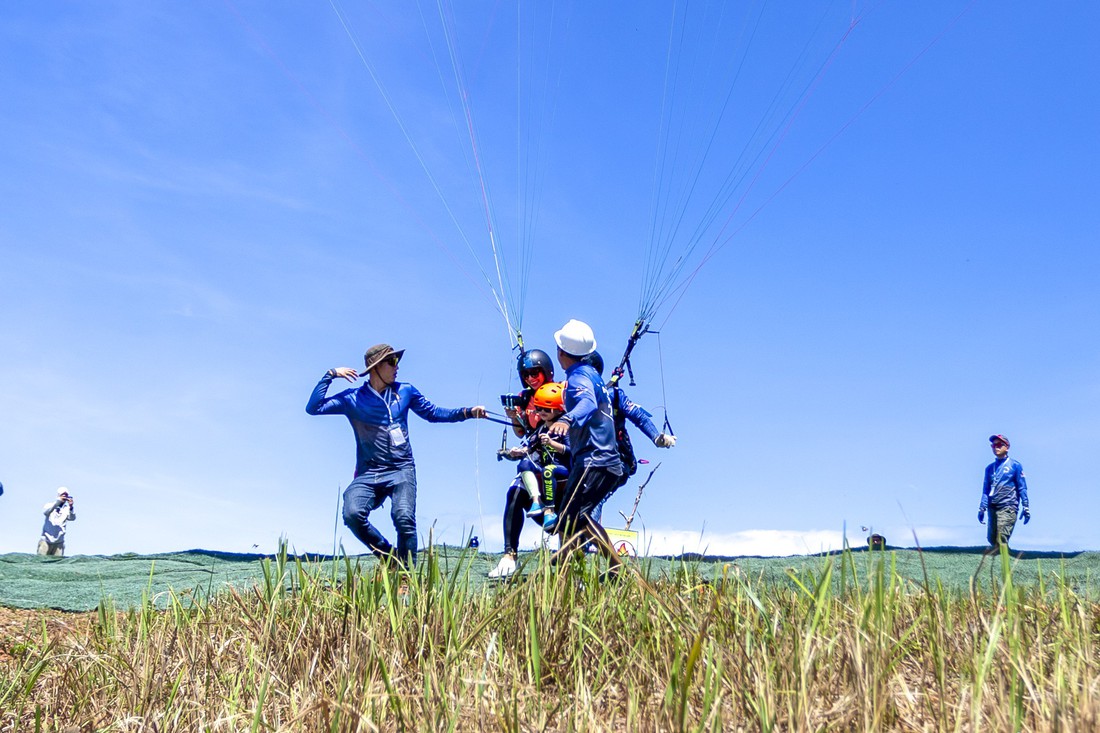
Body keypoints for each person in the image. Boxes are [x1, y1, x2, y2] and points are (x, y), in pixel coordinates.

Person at [306, 343, 486, 566]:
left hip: (402, 470)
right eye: (391, 362)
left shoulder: (406, 391)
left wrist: (467, 412)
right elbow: (313, 408)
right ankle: (390, 558)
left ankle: (406, 576)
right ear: (375, 367)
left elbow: (433, 413)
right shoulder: (353, 399)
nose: (397, 366)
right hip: (369, 472)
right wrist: (330, 375)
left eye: (397, 360)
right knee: (352, 513)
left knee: (403, 518)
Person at [546, 319, 625, 575]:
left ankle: (616, 567)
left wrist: (567, 419)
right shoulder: (592, 375)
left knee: (578, 516)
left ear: (560, 353)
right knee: (569, 520)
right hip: (602, 460)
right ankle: (564, 573)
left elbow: (587, 404)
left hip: (594, 460)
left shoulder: (579, 376)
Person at [489, 381, 571, 579]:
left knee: (572, 520)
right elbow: (529, 444)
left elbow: (572, 451)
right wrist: (516, 452)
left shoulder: (566, 426)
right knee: (516, 490)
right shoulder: (540, 428)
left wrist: (552, 443)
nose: (541, 412)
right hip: (541, 479)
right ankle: (509, 556)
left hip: (563, 479)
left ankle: (569, 566)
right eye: (539, 408)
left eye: (546, 409)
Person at [582, 351, 676, 524]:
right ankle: (574, 546)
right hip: (587, 462)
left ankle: (585, 548)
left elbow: (638, 416)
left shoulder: (613, 396)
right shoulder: (569, 396)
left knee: (594, 499)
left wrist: (657, 437)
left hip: (616, 461)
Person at [978, 434, 1030, 551]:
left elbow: (1022, 487)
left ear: (1007, 447)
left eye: (999, 445)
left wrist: (1025, 506)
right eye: (993, 445)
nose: (996, 447)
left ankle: (1007, 561)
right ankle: (999, 564)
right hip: (993, 506)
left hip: (1008, 506)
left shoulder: (1015, 466)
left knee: (1002, 537)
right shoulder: (989, 468)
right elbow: (986, 490)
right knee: (992, 539)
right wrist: (982, 508)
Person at [503, 349, 555, 438]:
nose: (530, 379)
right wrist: (514, 418)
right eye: (525, 375)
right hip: (537, 449)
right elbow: (520, 433)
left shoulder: (560, 391)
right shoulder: (524, 398)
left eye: (534, 373)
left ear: (545, 370)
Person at [39, 487, 75, 556]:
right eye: (62, 495)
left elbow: (72, 518)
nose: (64, 497)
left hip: (59, 543)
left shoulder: (66, 509)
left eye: (66, 495)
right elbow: (46, 512)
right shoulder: (49, 505)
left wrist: (71, 507)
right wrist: (58, 502)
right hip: (45, 541)